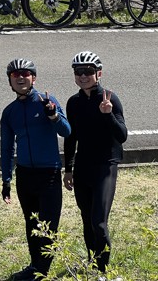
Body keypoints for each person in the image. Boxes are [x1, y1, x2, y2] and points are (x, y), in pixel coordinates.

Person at [0, 59, 71, 281]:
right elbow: (6, 147)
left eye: (26, 73)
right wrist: (6, 180)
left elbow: (66, 131)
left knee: (48, 225)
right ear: (10, 80)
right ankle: (35, 267)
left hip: (49, 173)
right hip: (24, 174)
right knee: (32, 224)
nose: (20, 77)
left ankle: (42, 271)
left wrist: (53, 115)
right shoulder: (9, 112)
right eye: (15, 75)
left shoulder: (47, 101)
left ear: (34, 78)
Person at [63, 51, 127, 279]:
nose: (83, 76)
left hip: (105, 165)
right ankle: (93, 263)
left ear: (98, 73)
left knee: (99, 222)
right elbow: (71, 138)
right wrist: (68, 168)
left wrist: (108, 114)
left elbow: (122, 136)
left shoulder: (110, 98)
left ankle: (105, 272)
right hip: (83, 166)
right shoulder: (74, 102)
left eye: (88, 71)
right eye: (78, 72)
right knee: (87, 219)